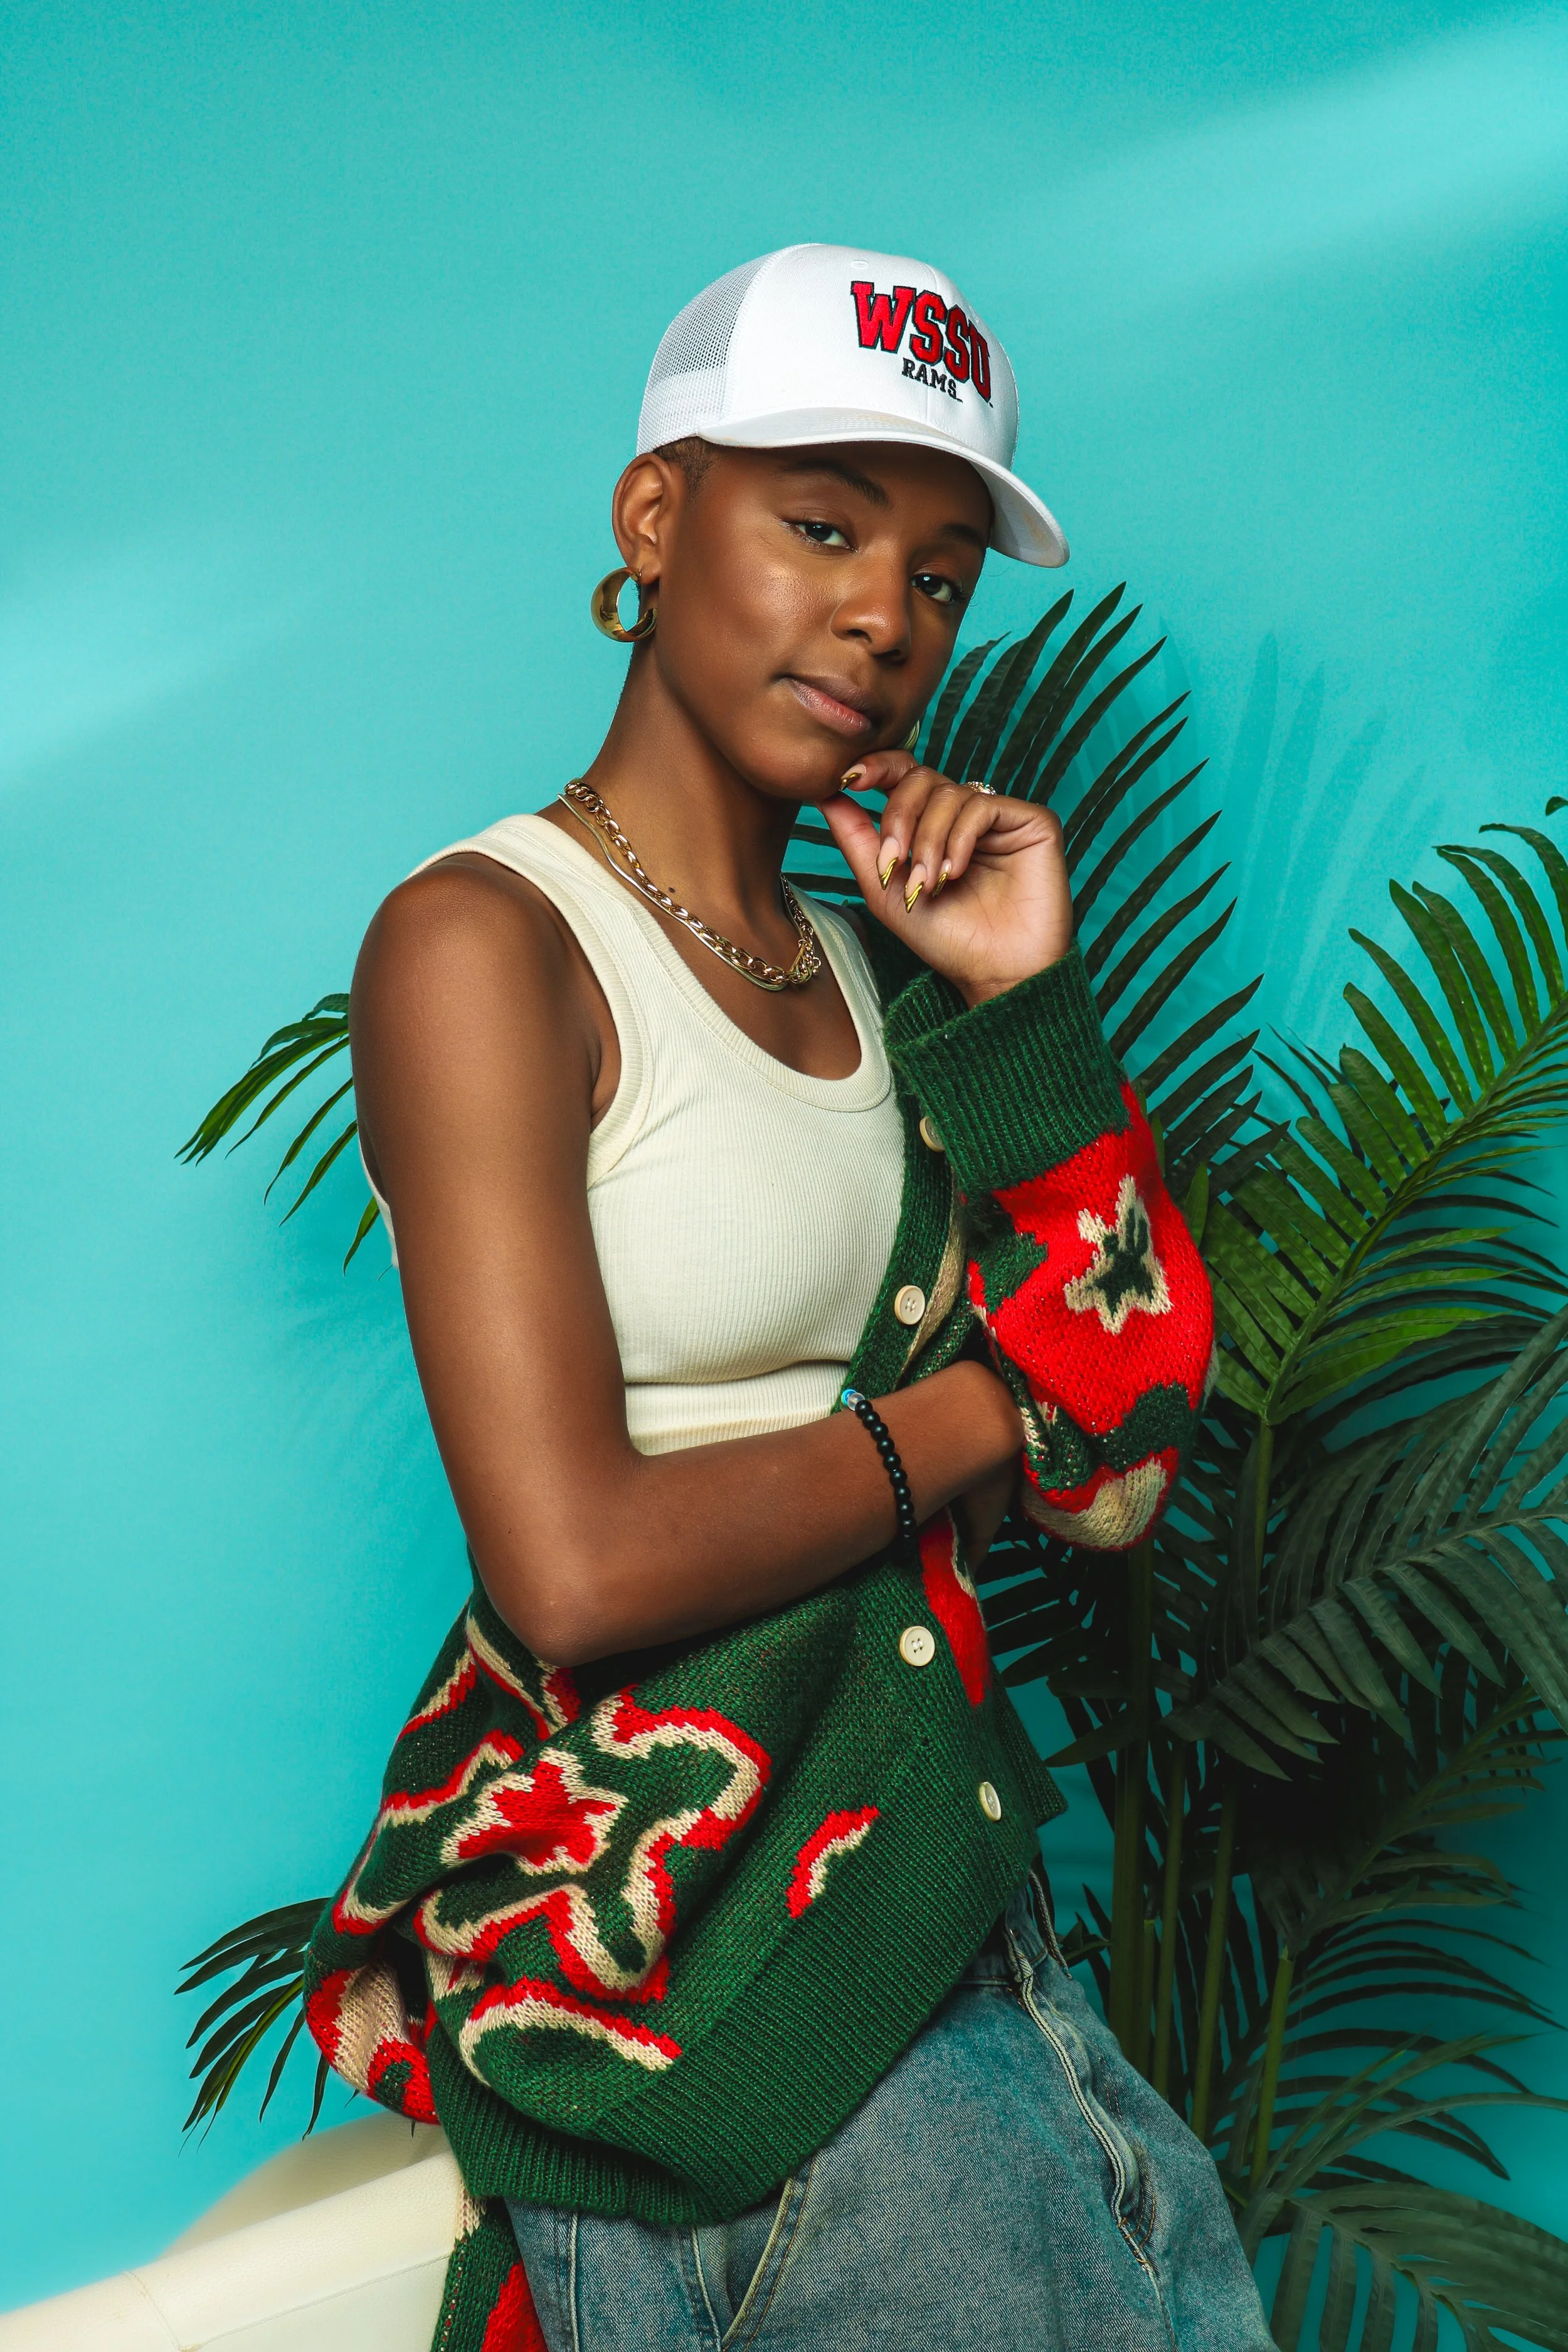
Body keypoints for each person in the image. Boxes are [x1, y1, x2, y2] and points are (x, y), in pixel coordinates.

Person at [306, 245, 1274, 2351]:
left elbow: (1114, 1474)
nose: (881, 618)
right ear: (655, 517)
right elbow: (570, 1564)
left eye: (934, 575)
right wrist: (980, 1414)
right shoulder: (489, 942)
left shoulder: (874, 963)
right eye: (820, 527)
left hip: (964, 1935)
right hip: (719, 2000)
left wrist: (1022, 1002)